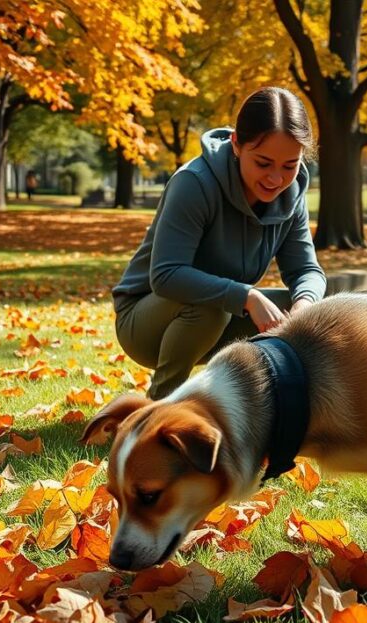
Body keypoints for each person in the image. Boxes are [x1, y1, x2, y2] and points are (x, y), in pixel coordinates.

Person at [111, 87, 327, 400]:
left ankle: (258, 407)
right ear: (237, 144)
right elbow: (166, 275)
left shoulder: (291, 195)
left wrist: (304, 307)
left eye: (289, 165)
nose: (276, 179)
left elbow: (307, 270)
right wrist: (247, 296)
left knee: (314, 307)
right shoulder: (194, 183)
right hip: (146, 323)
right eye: (264, 163)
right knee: (211, 309)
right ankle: (161, 405)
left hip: (219, 315)